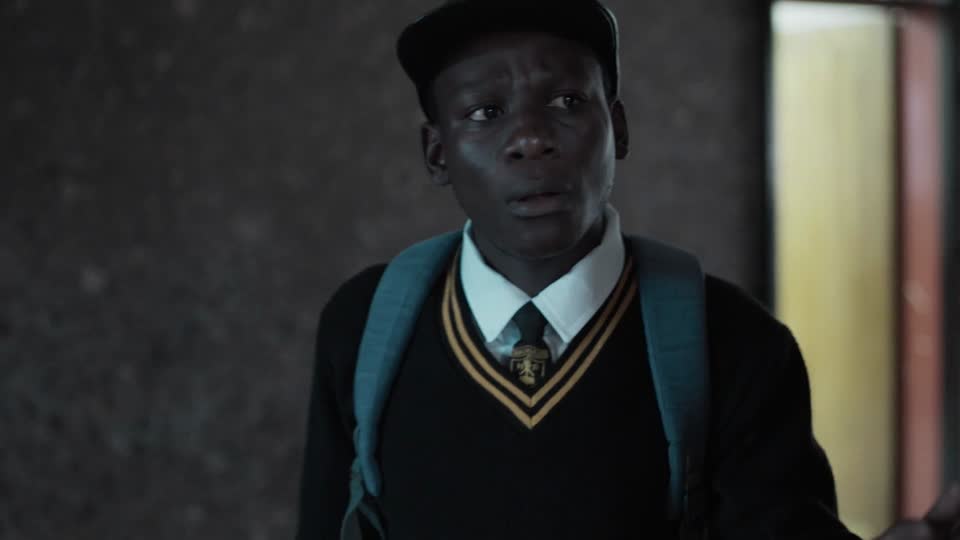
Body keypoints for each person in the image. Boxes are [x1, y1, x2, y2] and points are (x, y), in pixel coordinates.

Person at [295, 1, 960, 538]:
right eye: (485, 113)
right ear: (437, 154)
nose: (531, 138)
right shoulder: (365, 326)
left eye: (567, 102)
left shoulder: (734, 342)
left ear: (618, 127)